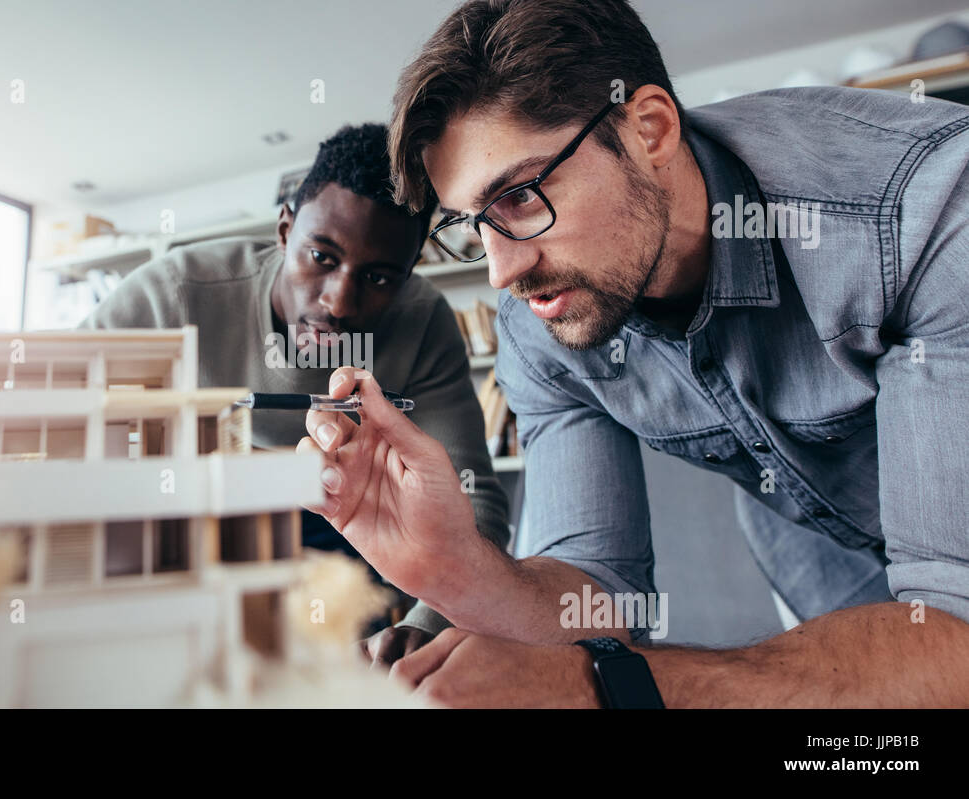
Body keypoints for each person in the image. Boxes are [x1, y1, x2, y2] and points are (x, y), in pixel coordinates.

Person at [297, 0, 969, 706]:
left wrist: (604, 685)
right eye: (472, 226)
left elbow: (956, 634)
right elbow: (598, 594)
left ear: (649, 129)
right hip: (824, 558)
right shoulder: (540, 322)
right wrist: (454, 565)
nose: (500, 272)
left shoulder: (922, 215)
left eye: (522, 196)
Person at [81, 123, 510, 651]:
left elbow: (474, 501)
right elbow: (56, 404)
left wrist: (425, 628)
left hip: (342, 511)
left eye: (378, 278)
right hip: (204, 501)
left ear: (409, 271)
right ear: (285, 231)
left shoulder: (423, 322)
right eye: (322, 258)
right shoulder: (179, 291)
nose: (339, 302)